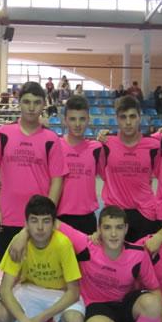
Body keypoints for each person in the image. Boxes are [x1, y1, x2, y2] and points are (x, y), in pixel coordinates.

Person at [41, 205, 162, 322]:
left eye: (118, 227)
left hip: (125, 305)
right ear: (98, 230)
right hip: (99, 307)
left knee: (153, 303)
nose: (113, 234)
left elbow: (155, 289)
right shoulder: (87, 246)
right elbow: (52, 221)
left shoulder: (138, 254)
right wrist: (22, 235)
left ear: (126, 229)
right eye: (107, 228)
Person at [0, 196, 86, 322]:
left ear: (53, 223)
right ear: (26, 223)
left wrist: (38, 320)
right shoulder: (18, 243)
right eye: (34, 221)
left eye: (46, 221)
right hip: (31, 290)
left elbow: (73, 292)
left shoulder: (63, 244)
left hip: (61, 293)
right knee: (1, 311)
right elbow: (5, 290)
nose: (40, 228)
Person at [0, 81, 65, 265]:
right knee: (5, 277)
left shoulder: (51, 139)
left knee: (37, 277)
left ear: (43, 105)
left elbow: (57, 181)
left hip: (38, 222)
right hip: (7, 217)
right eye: (26, 102)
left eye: (37, 102)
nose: (31, 108)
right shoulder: (4, 133)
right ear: (19, 102)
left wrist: (48, 214)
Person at [99, 95, 162, 242]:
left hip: (146, 214)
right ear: (117, 118)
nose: (128, 122)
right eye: (123, 117)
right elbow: (103, 174)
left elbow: (160, 174)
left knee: (144, 261)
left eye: (132, 116)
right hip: (115, 216)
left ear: (140, 117)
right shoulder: (106, 143)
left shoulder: (153, 145)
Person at [57, 95, 103, 235]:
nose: (77, 124)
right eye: (72, 119)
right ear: (65, 121)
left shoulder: (97, 148)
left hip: (87, 218)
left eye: (82, 119)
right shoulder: (55, 146)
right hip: (60, 219)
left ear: (88, 120)